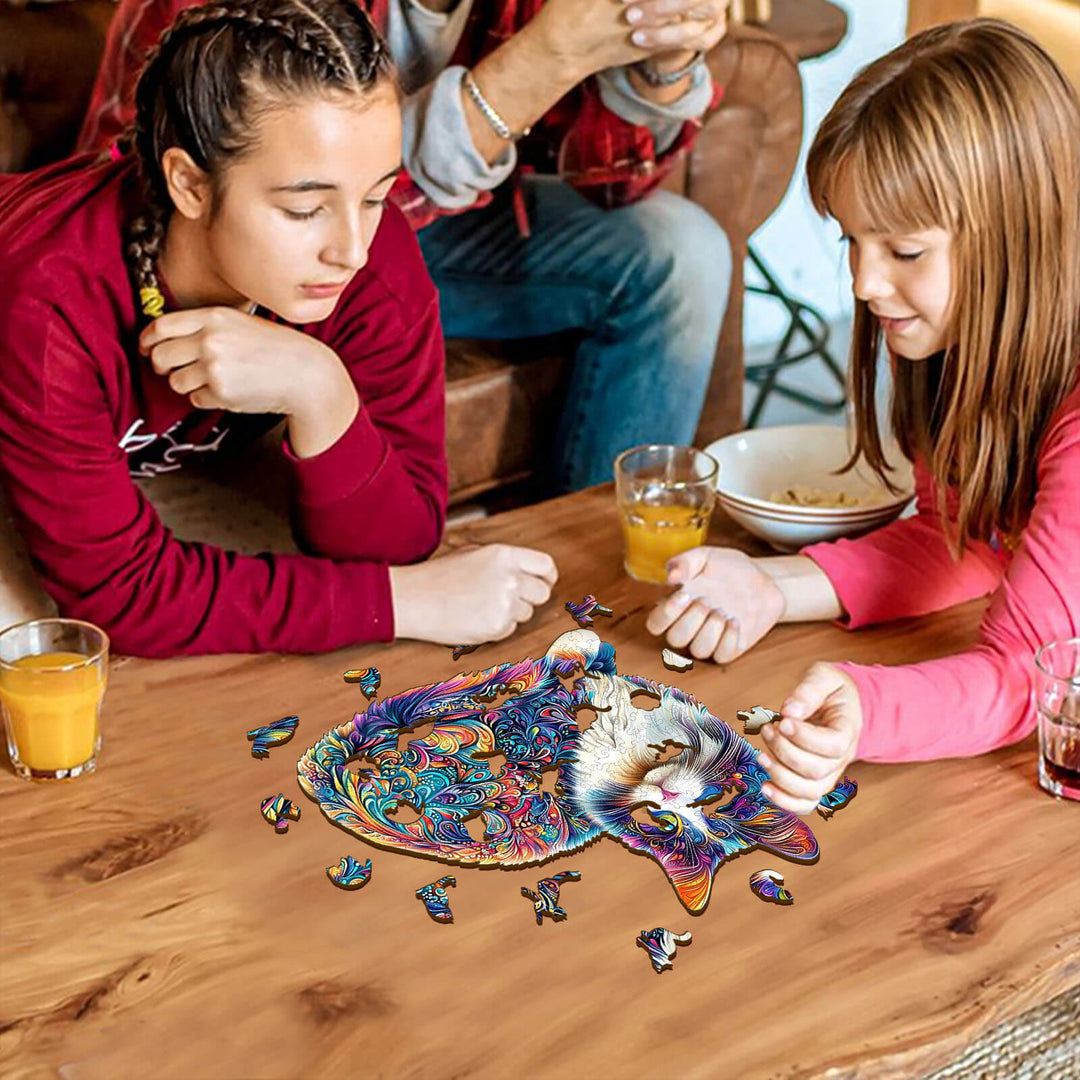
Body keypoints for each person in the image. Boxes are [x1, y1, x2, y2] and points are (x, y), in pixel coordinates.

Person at [0, 0, 557, 656]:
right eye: (305, 209)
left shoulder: (371, 255)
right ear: (189, 185)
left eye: (374, 196)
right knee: (33, 649)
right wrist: (404, 601)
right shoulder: (49, 299)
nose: (351, 248)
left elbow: (402, 537)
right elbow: (122, 597)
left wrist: (321, 390)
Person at [646, 18, 1080, 814]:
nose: (862, 283)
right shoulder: (962, 347)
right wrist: (772, 587)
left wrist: (867, 710)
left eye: (904, 252)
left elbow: (1033, 673)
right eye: (852, 240)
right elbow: (966, 537)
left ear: (1023, 236)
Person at [77, 0, 734, 493]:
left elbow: (617, 186)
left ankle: (600, 569)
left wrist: (660, 63)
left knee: (680, 251)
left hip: (433, 223)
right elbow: (155, 204)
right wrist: (544, 59)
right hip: (236, 247)